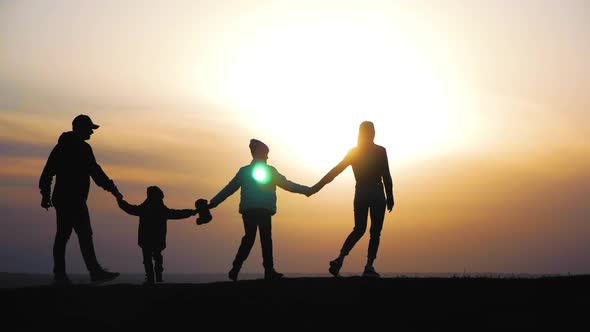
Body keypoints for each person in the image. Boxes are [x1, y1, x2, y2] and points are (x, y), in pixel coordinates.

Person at [208, 139, 314, 281]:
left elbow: (229, 189)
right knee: (265, 239)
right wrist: (306, 190)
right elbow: (287, 185)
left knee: (249, 239)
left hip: (249, 210)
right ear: (260, 153)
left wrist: (213, 203)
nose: (268, 157)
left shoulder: (244, 171)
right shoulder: (269, 171)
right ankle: (268, 271)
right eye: (266, 154)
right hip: (262, 209)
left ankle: (236, 268)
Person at [39, 114, 122, 285]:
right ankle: (84, 273)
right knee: (76, 235)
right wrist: (113, 190)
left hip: (68, 199)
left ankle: (65, 274)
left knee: (68, 235)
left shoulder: (70, 147)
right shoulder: (77, 148)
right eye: (89, 129)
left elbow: (95, 172)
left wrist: (46, 196)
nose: (91, 132)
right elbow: (95, 173)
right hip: (71, 199)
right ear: (79, 128)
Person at [311, 121, 394, 278]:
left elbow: (336, 171)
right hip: (376, 192)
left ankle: (340, 259)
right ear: (371, 133)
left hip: (361, 192)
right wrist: (390, 196)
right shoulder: (379, 151)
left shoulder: (356, 152)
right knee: (374, 231)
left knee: (359, 229)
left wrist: (317, 187)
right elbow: (386, 175)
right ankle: (368, 266)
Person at [116, 186, 200, 285]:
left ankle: (151, 279)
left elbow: (129, 208)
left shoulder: (145, 209)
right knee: (156, 258)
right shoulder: (159, 210)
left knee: (149, 259)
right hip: (155, 239)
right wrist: (191, 212)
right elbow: (176, 213)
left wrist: (119, 200)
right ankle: (157, 278)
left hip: (146, 239)